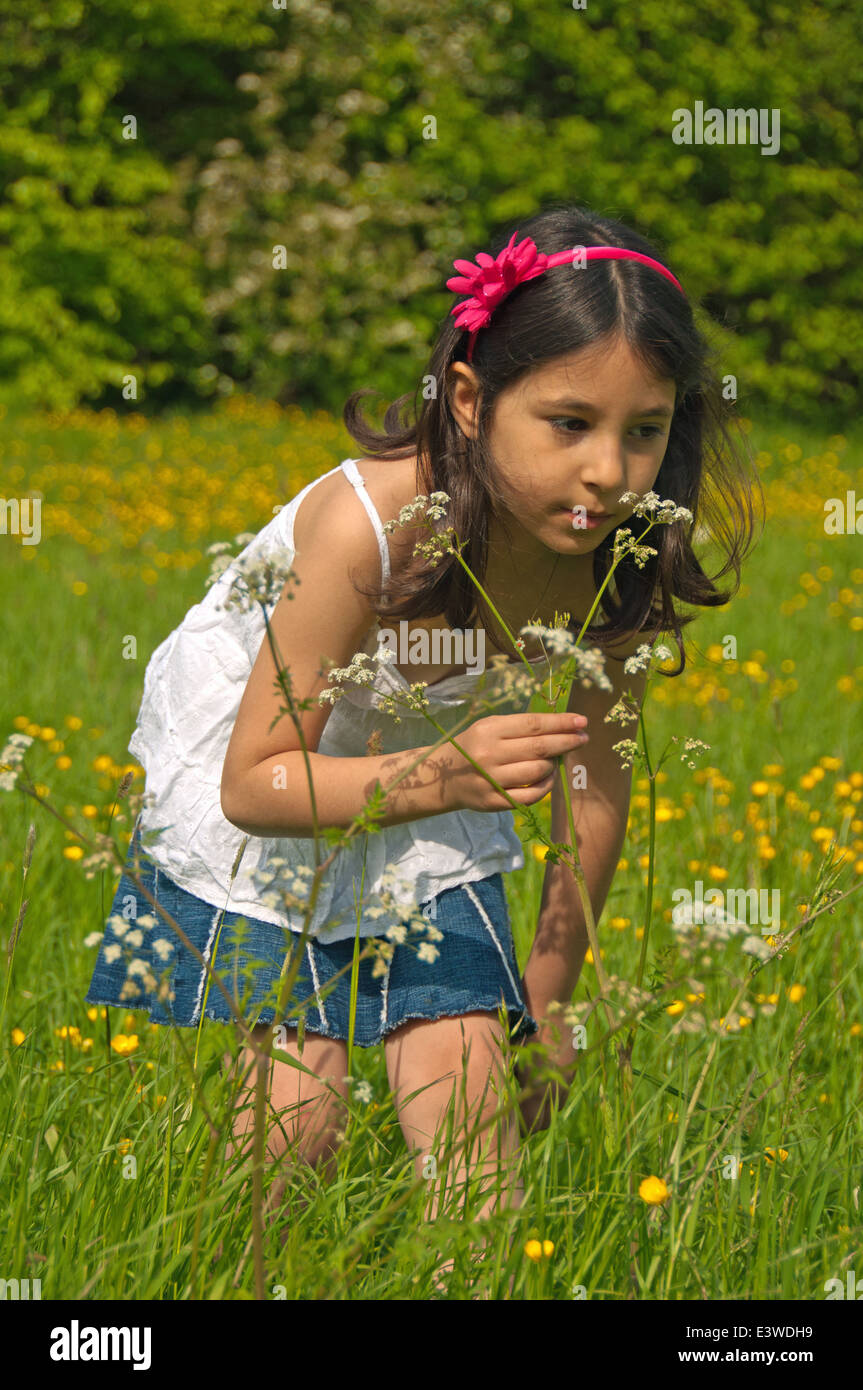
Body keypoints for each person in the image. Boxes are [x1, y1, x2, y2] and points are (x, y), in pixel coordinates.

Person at [85, 203, 760, 1291]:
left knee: (472, 1131)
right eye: (566, 422)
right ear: (469, 397)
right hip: (283, 794)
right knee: (289, 1138)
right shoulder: (370, 528)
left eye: (642, 431)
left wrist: (548, 997)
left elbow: (593, 784)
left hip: (440, 790)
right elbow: (254, 779)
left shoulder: (619, 558)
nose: (607, 471)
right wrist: (440, 773)